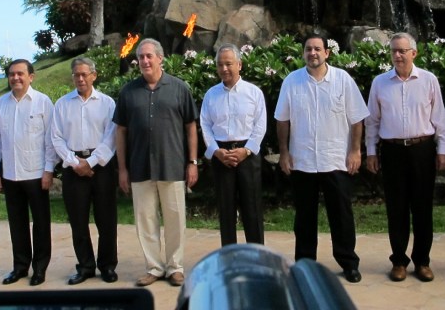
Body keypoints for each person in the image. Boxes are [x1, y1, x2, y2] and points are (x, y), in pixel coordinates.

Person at [275, 34, 368, 283]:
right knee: (304, 218)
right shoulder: (291, 82)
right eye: (308, 49)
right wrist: (284, 152)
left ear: (327, 52)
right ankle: (305, 265)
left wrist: (355, 151)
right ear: (303, 53)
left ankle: (349, 263)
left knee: (341, 216)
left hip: (335, 159)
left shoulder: (343, 80)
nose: (312, 53)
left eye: (317, 49)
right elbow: (282, 120)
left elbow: (357, 118)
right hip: (302, 160)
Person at [114, 38, 199, 288]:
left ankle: (175, 267)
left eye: (149, 56)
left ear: (160, 58)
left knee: (175, 220)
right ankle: (154, 267)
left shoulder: (179, 88)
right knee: (145, 220)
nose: (144, 61)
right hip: (139, 167)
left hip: (172, 165)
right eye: (141, 57)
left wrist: (193, 162)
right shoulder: (128, 92)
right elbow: (121, 131)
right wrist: (122, 169)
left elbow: (191, 127)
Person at [365, 32, 445, 282]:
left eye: (402, 51)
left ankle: (422, 261)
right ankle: (399, 261)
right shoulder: (380, 82)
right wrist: (371, 151)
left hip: (422, 149)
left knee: (422, 208)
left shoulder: (428, 80)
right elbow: (372, 121)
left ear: (414, 53)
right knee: (396, 208)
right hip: (392, 151)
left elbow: (440, 118)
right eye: (394, 51)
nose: (398, 55)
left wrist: (442, 151)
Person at [52, 57, 118, 285]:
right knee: (78, 221)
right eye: (76, 75)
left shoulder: (107, 103)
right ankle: (85, 266)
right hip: (73, 168)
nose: (80, 79)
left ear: (94, 75)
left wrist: (90, 163)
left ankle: (107, 265)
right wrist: (75, 162)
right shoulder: (62, 104)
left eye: (84, 74)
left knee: (106, 220)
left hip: (102, 167)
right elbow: (56, 138)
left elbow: (111, 137)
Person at [0, 59, 57, 286]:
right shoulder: (1, 104)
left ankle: (40, 268)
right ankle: (20, 267)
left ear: (31, 77)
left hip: (36, 174)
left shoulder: (42, 102)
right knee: (17, 224)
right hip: (10, 174)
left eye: (20, 74)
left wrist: (49, 170)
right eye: (12, 74)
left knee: (41, 224)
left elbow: (50, 139)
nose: (15, 78)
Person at [200, 43, 266, 246]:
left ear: (239, 65)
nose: (224, 68)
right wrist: (216, 151)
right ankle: (229, 256)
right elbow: (205, 125)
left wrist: (247, 150)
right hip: (221, 155)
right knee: (226, 210)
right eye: (220, 64)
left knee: (252, 209)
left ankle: (256, 255)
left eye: (228, 64)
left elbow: (260, 125)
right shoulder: (211, 95)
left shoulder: (254, 93)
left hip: (247, 155)